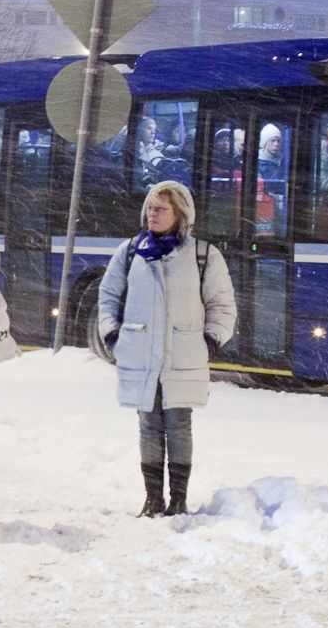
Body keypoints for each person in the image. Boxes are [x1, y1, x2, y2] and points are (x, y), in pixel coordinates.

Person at [97, 181, 237, 518]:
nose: (152, 214)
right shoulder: (130, 252)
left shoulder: (204, 255)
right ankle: (152, 498)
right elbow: (108, 297)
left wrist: (211, 340)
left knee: (178, 424)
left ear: (180, 214)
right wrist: (113, 335)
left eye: (161, 209)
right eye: (150, 207)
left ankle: (178, 499)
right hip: (141, 354)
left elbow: (222, 304)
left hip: (183, 355)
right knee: (148, 424)